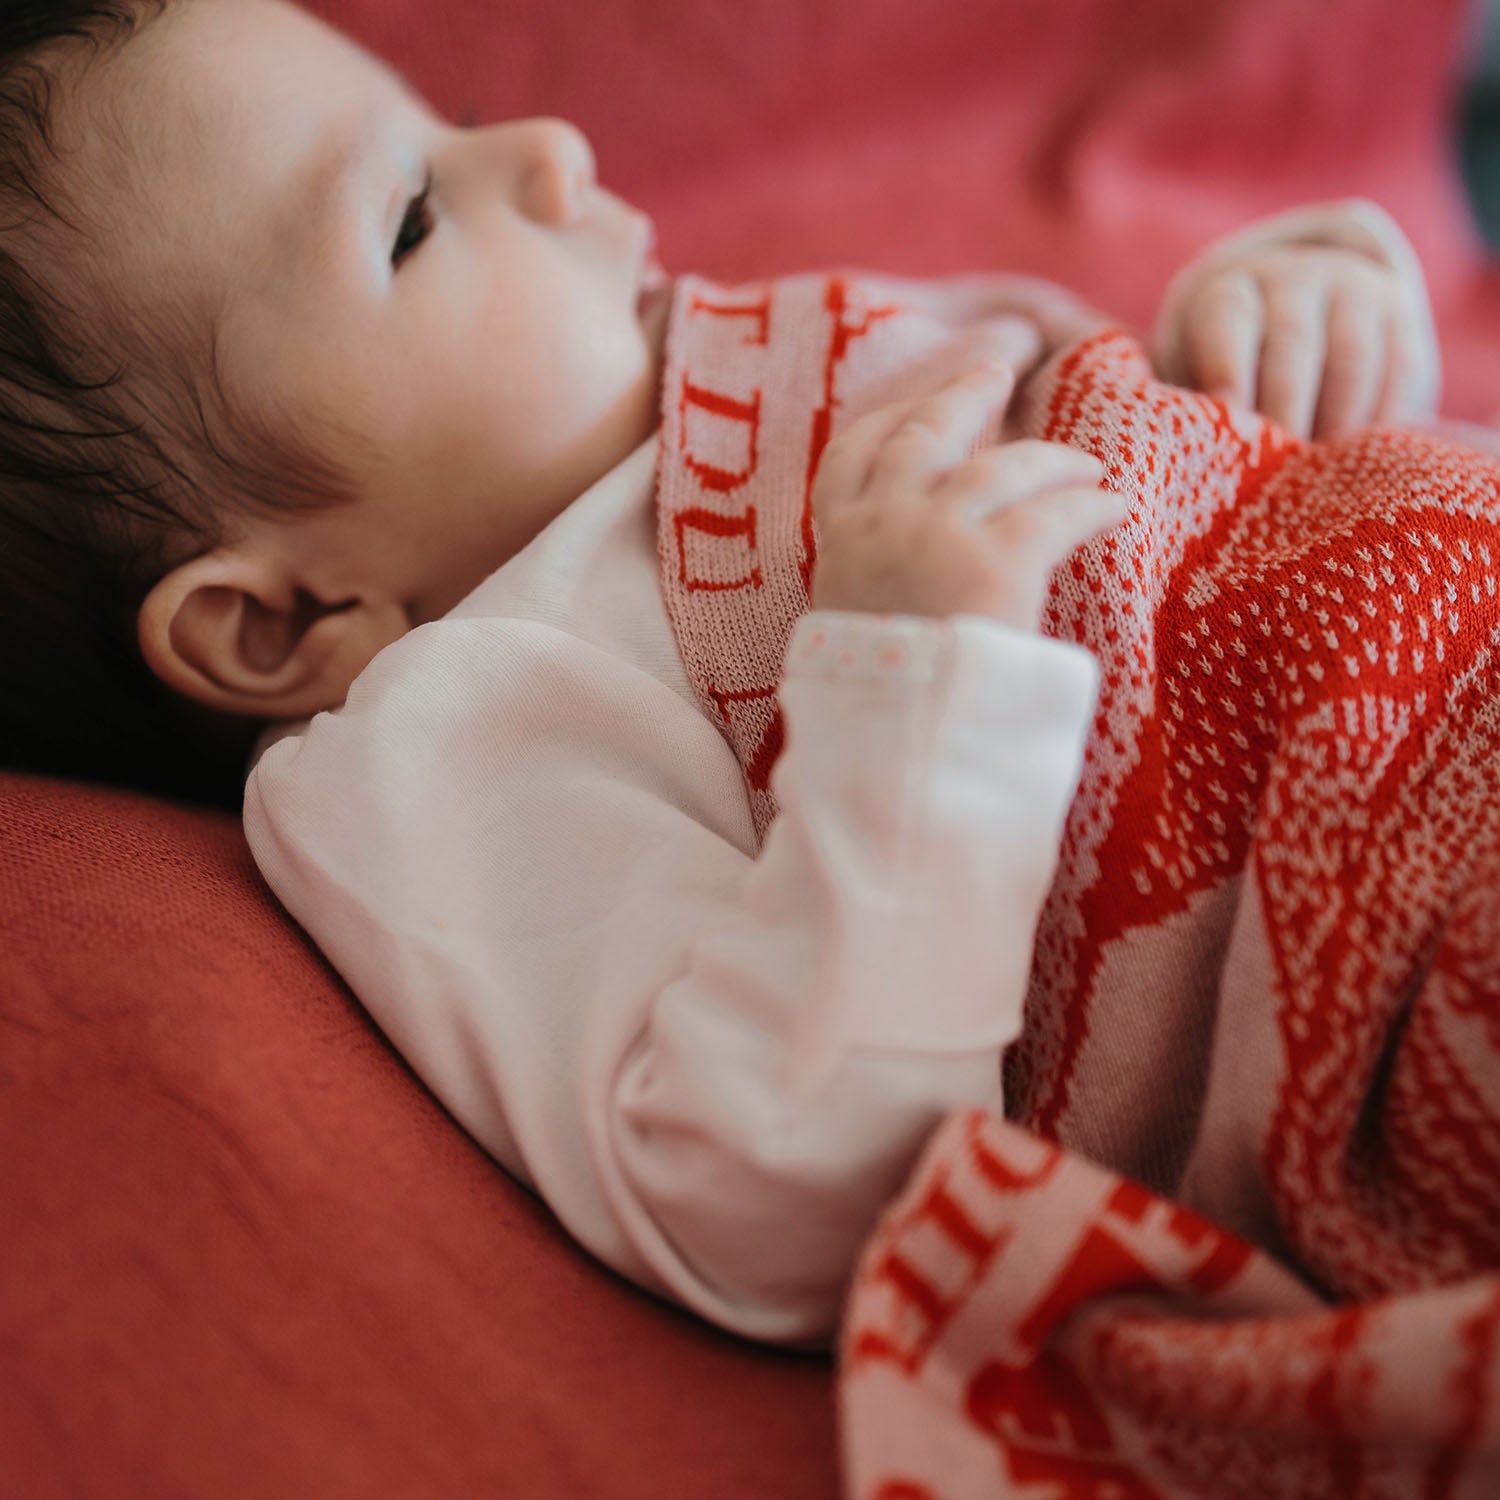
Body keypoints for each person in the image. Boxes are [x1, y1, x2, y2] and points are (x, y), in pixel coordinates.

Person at [0, 0, 1451, 1342]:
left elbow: (1173, 456)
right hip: (1394, 936)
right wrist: (918, 685)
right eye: (413, 219)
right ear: (279, 624)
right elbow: (782, 1197)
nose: (550, 150)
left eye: (445, 114)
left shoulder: (713, 349)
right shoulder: (465, 716)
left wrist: (1293, 317)